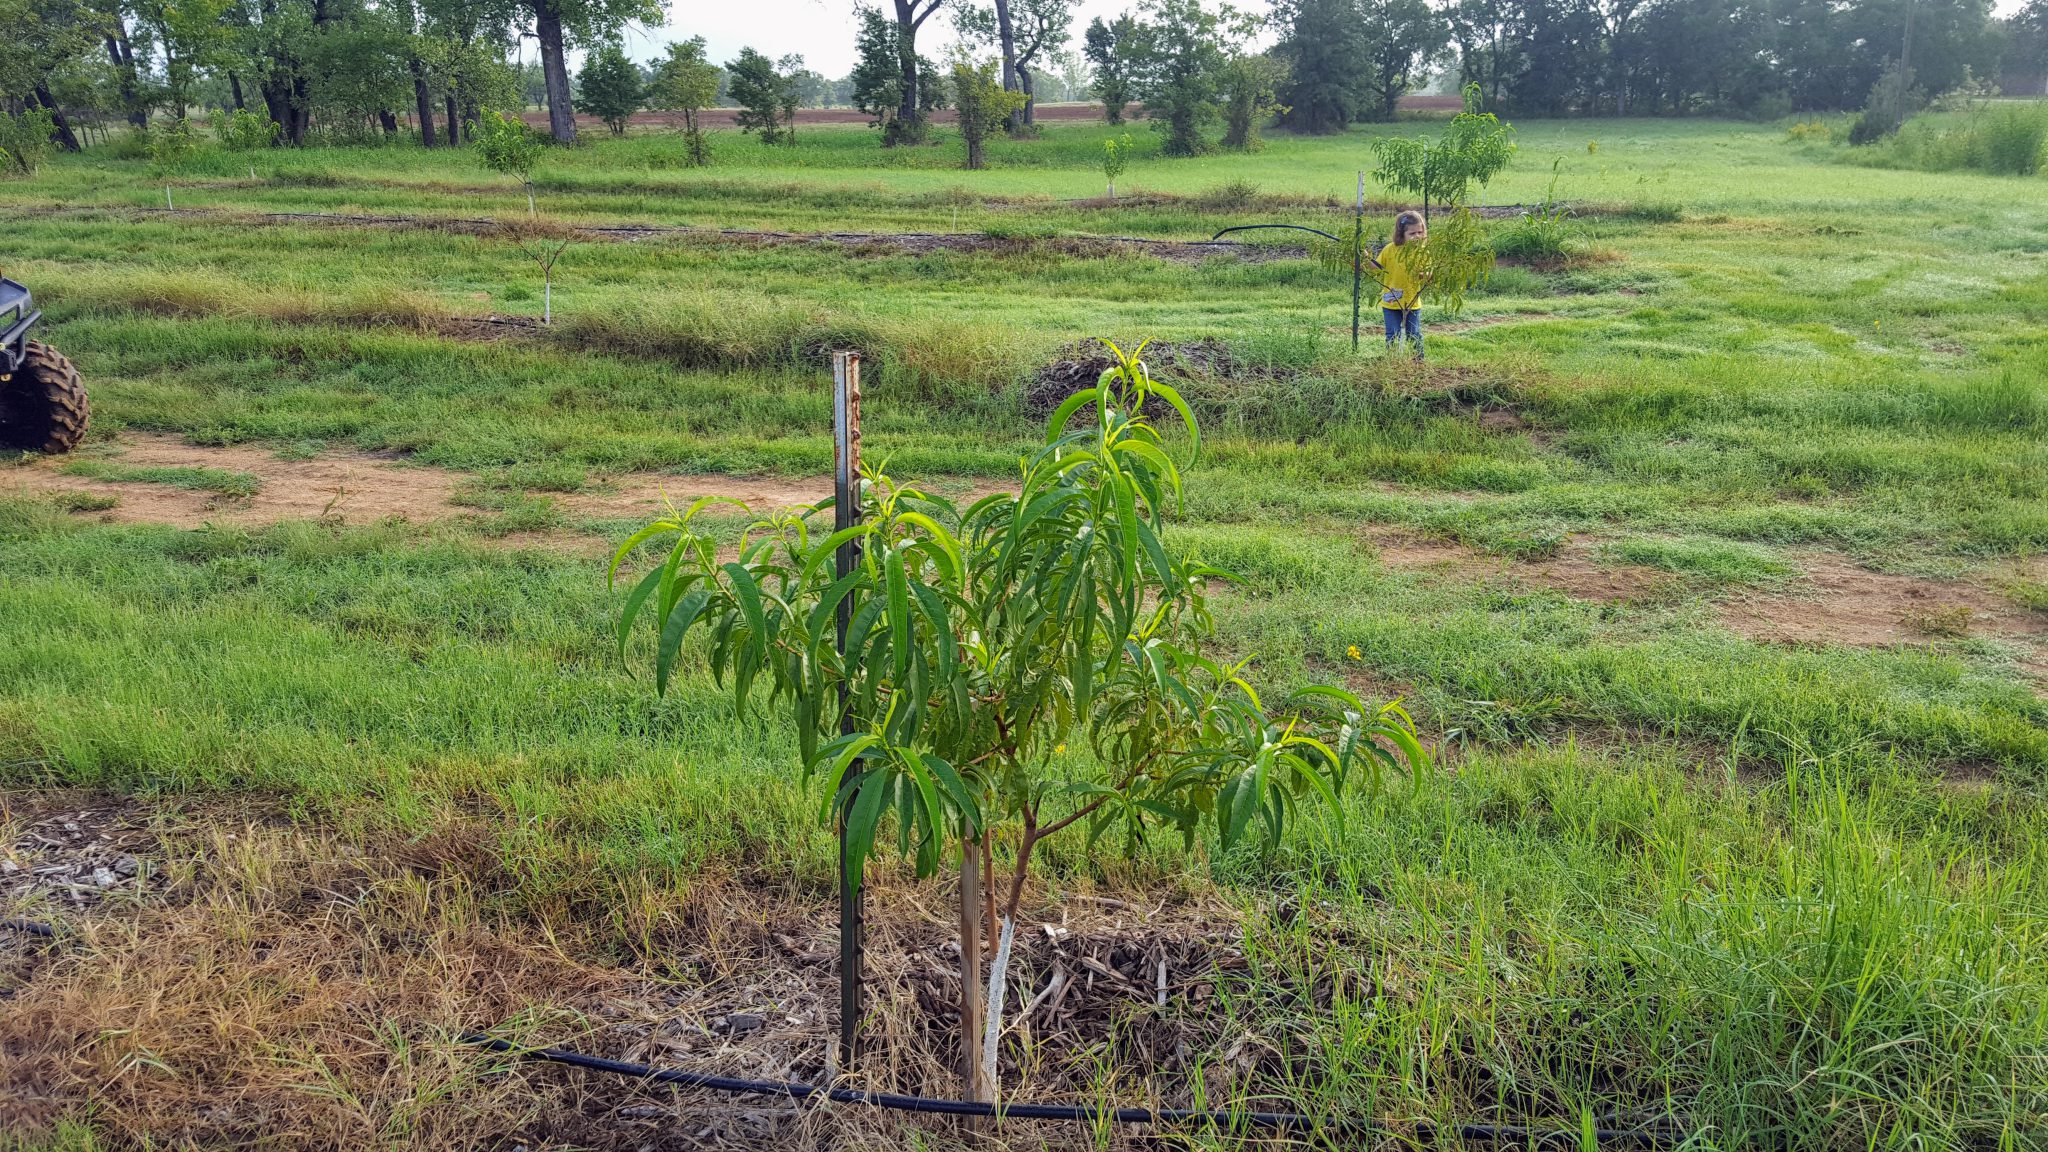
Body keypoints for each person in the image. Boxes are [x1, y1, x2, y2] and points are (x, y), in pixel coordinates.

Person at [1375, 211, 1426, 360]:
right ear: (1401, 233)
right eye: (1412, 233)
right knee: (1392, 334)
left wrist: (1426, 274)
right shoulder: (1390, 249)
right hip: (1391, 301)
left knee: (1414, 333)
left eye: (1420, 232)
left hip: (1412, 302)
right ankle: (1392, 361)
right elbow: (1376, 266)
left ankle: (1419, 361)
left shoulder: (1422, 252)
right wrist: (1364, 258)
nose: (1417, 236)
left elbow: (1428, 272)